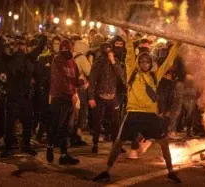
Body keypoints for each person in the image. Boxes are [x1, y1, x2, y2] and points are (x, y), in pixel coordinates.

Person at [92, 29, 182, 183]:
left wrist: (178, 44)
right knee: (118, 143)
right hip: (133, 113)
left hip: (150, 115)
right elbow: (129, 56)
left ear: (150, 63)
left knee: (164, 143)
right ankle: (106, 171)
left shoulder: (155, 75)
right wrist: (127, 36)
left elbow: (168, 61)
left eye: (147, 61)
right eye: (141, 61)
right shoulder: (132, 74)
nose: (144, 63)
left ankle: (170, 171)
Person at [46, 39, 87, 165]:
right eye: (65, 48)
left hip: (69, 99)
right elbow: (60, 80)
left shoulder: (73, 63)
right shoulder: (57, 60)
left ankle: (64, 154)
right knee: (55, 125)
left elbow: (75, 79)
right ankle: (50, 147)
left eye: (69, 48)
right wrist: (71, 87)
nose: (67, 50)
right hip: (58, 98)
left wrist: (82, 83)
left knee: (66, 128)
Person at [88, 42, 123, 153]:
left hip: (112, 96)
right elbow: (92, 80)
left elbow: (121, 75)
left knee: (115, 122)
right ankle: (95, 143)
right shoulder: (98, 62)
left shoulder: (115, 62)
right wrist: (91, 97)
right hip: (100, 96)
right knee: (97, 122)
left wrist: (113, 61)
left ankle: (115, 144)